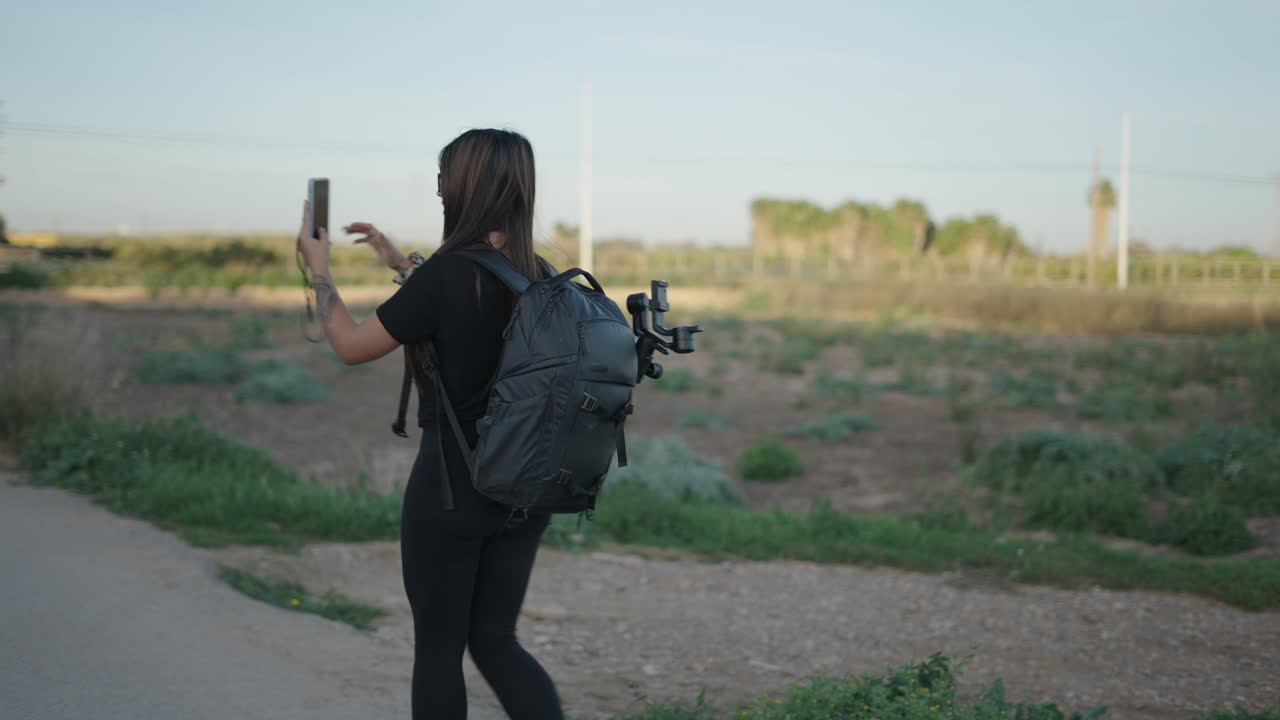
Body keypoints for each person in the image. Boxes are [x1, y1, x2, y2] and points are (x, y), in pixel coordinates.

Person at [294, 128, 564, 720]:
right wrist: (396, 260)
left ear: (461, 187)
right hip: (528, 487)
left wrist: (321, 272)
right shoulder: (541, 275)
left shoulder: (446, 278)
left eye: (444, 176)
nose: (439, 188)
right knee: (496, 641)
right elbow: (463, 290)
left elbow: (350, 344)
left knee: (439, 650)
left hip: (454, 488)